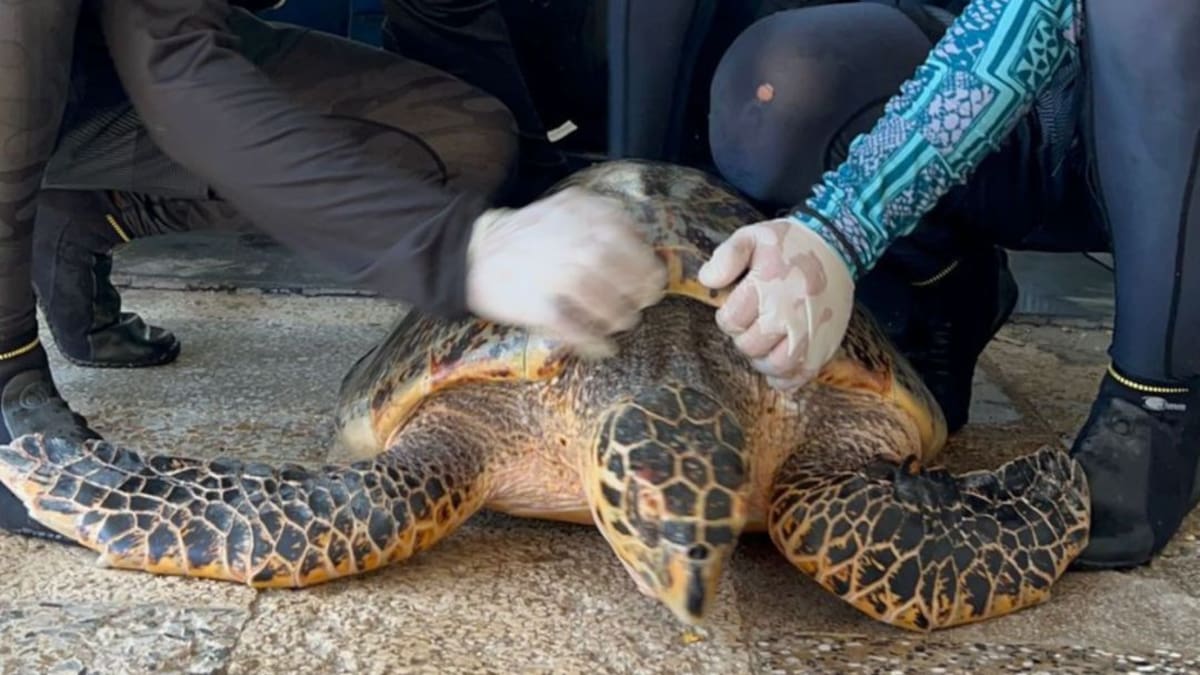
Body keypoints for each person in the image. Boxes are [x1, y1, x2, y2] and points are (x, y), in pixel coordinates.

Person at [0, 0, 667, 540]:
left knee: (458, 147)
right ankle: (9, 382)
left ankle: (86, 216)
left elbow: (447, 14)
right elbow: (175, 63)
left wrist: (531, 208)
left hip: (134, 50)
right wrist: (457, 250)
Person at [699, 0, 1200, 570]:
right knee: (778, 92)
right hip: (1052, 106)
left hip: (1174, 136)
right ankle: (943, 298)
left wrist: (843, 223)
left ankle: (1158, 401)